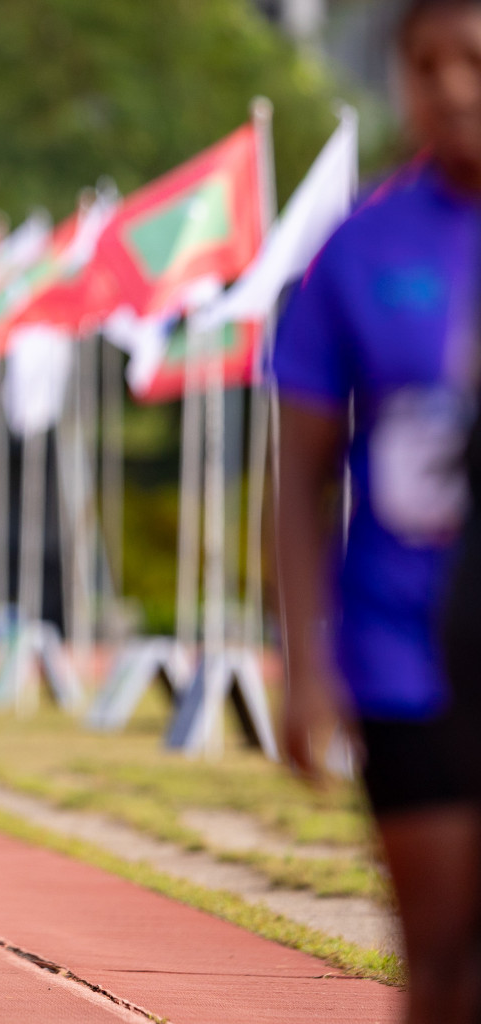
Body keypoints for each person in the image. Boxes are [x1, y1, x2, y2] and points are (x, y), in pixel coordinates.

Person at [275, 2, 481, 1020]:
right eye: (425, 65)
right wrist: (306, 669)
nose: (450, 86)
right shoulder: (356, 252)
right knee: (442, 959)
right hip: (405, 649)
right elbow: (298, 483)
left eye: (472, 61)